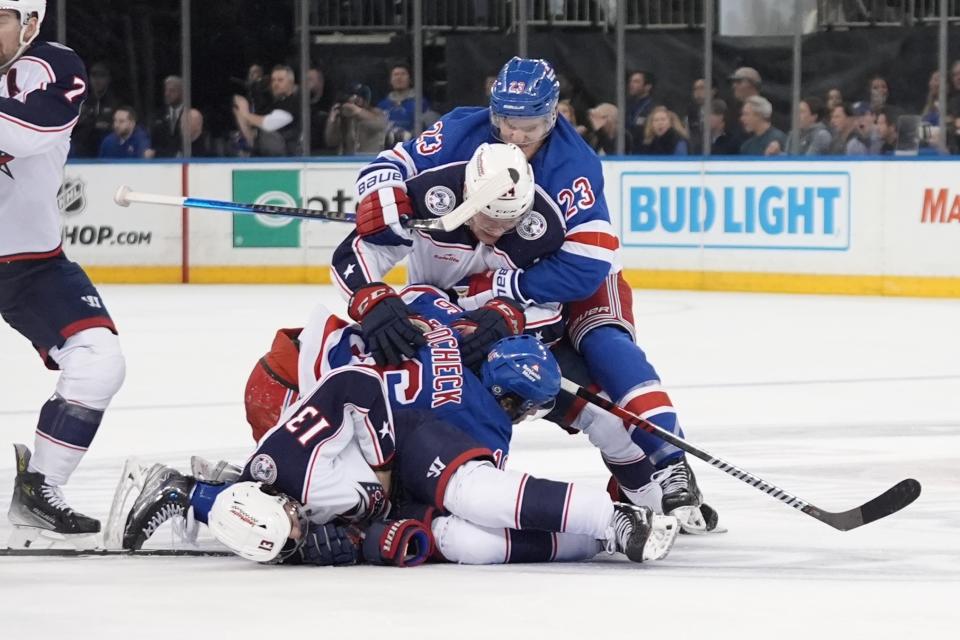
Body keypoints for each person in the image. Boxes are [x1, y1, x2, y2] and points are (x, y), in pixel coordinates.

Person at [345, 57, 718, 533]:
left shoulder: (573, 166)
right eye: (507, 123)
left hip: (563, 277)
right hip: (485, 295)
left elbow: (583, 267)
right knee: (528, 384)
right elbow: (390, 165)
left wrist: (502, 294)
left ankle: (669, 462)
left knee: (602, 348)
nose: (516, 137)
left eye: (532, 126)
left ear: (554, 115)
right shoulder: (462, 129)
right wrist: (381, 194)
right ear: (493, 113)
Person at [115, 334, 679, 566]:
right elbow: (374, 515)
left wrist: (382, 482)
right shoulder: (301, 499)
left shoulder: (293, 467)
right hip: (381, 446)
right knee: (461, 535)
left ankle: (610, 524)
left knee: (467, 513)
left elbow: (355, 388)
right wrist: (370, 531)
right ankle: (602, 535)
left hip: (391, 436)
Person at [1, 0, 125, 548]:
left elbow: (29, 133)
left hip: (31, 263)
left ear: (30, 23)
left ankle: (40, 490)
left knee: (100, 361)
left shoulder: (54, 66)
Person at [233, 64, 301, 156]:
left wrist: (245, 113)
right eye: (273, 80)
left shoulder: (293, 103)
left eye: (280, 80)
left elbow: (268, 124)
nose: (275, 83)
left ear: (291, 83)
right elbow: (254, 122)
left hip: (285, 161)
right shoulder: (273, 103)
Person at [325, 83, 388, 155]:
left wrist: (357, 111)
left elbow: (381, 125)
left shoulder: (376, 113)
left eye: (359, 98)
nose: (355, 101)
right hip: (347, 162)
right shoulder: (344, 118)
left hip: (370, 159)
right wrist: (333, 120)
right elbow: (331, 141)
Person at [376, 63, 432, 143]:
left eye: (403, 74)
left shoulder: (421, 103)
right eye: (396, 74)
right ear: (390, 80)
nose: (399, 78)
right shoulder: (383, 105)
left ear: (410, 79)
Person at [149, 75, 184, 158]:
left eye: (172, 91)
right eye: (166, 90)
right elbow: (153, 145)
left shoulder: (191, 115)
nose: (167, 94)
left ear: (181, 92)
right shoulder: (158, 116)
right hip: (161, 164)